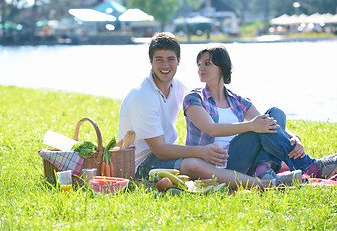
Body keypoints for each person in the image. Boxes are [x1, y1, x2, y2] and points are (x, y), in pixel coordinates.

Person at [118, 32, 301, 190]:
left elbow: (262, 119)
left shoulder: (179, 88)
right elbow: (160, 150)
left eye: (170, 59)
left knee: (271, 120)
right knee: (194, 165)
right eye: (159, 60)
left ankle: (303, 165)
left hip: (172, 155)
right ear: (150, 61)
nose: (165, 65)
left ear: (178, 61)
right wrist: (201, 151)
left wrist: (292, 137)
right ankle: (267, 184)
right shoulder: (142, 96)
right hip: (141, 165)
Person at [183, 44, 337, 180]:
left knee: (275, 113)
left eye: (207, 63)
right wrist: (251, 126)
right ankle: (309, 166)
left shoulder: (238, 100)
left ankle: (262, 169)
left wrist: (294, 137)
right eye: (199, 64)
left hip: (242, 160)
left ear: (222, 67)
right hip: (212, 166)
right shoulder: (194, 98)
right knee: (261, 126)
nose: (201, 68)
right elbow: (211, 129)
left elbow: (267, 121)